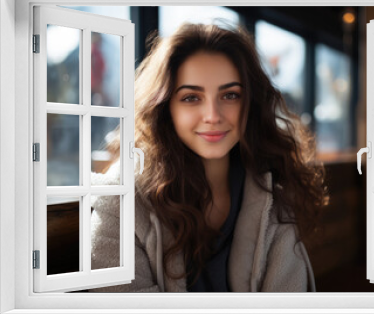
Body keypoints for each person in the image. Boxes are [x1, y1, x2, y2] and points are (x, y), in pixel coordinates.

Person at [89, 23, 327, 292]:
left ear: (251, 103)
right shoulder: (121, 197)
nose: (213, 115)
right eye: (191, 97)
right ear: (166, 107)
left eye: (230, 95)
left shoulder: (274, 193)